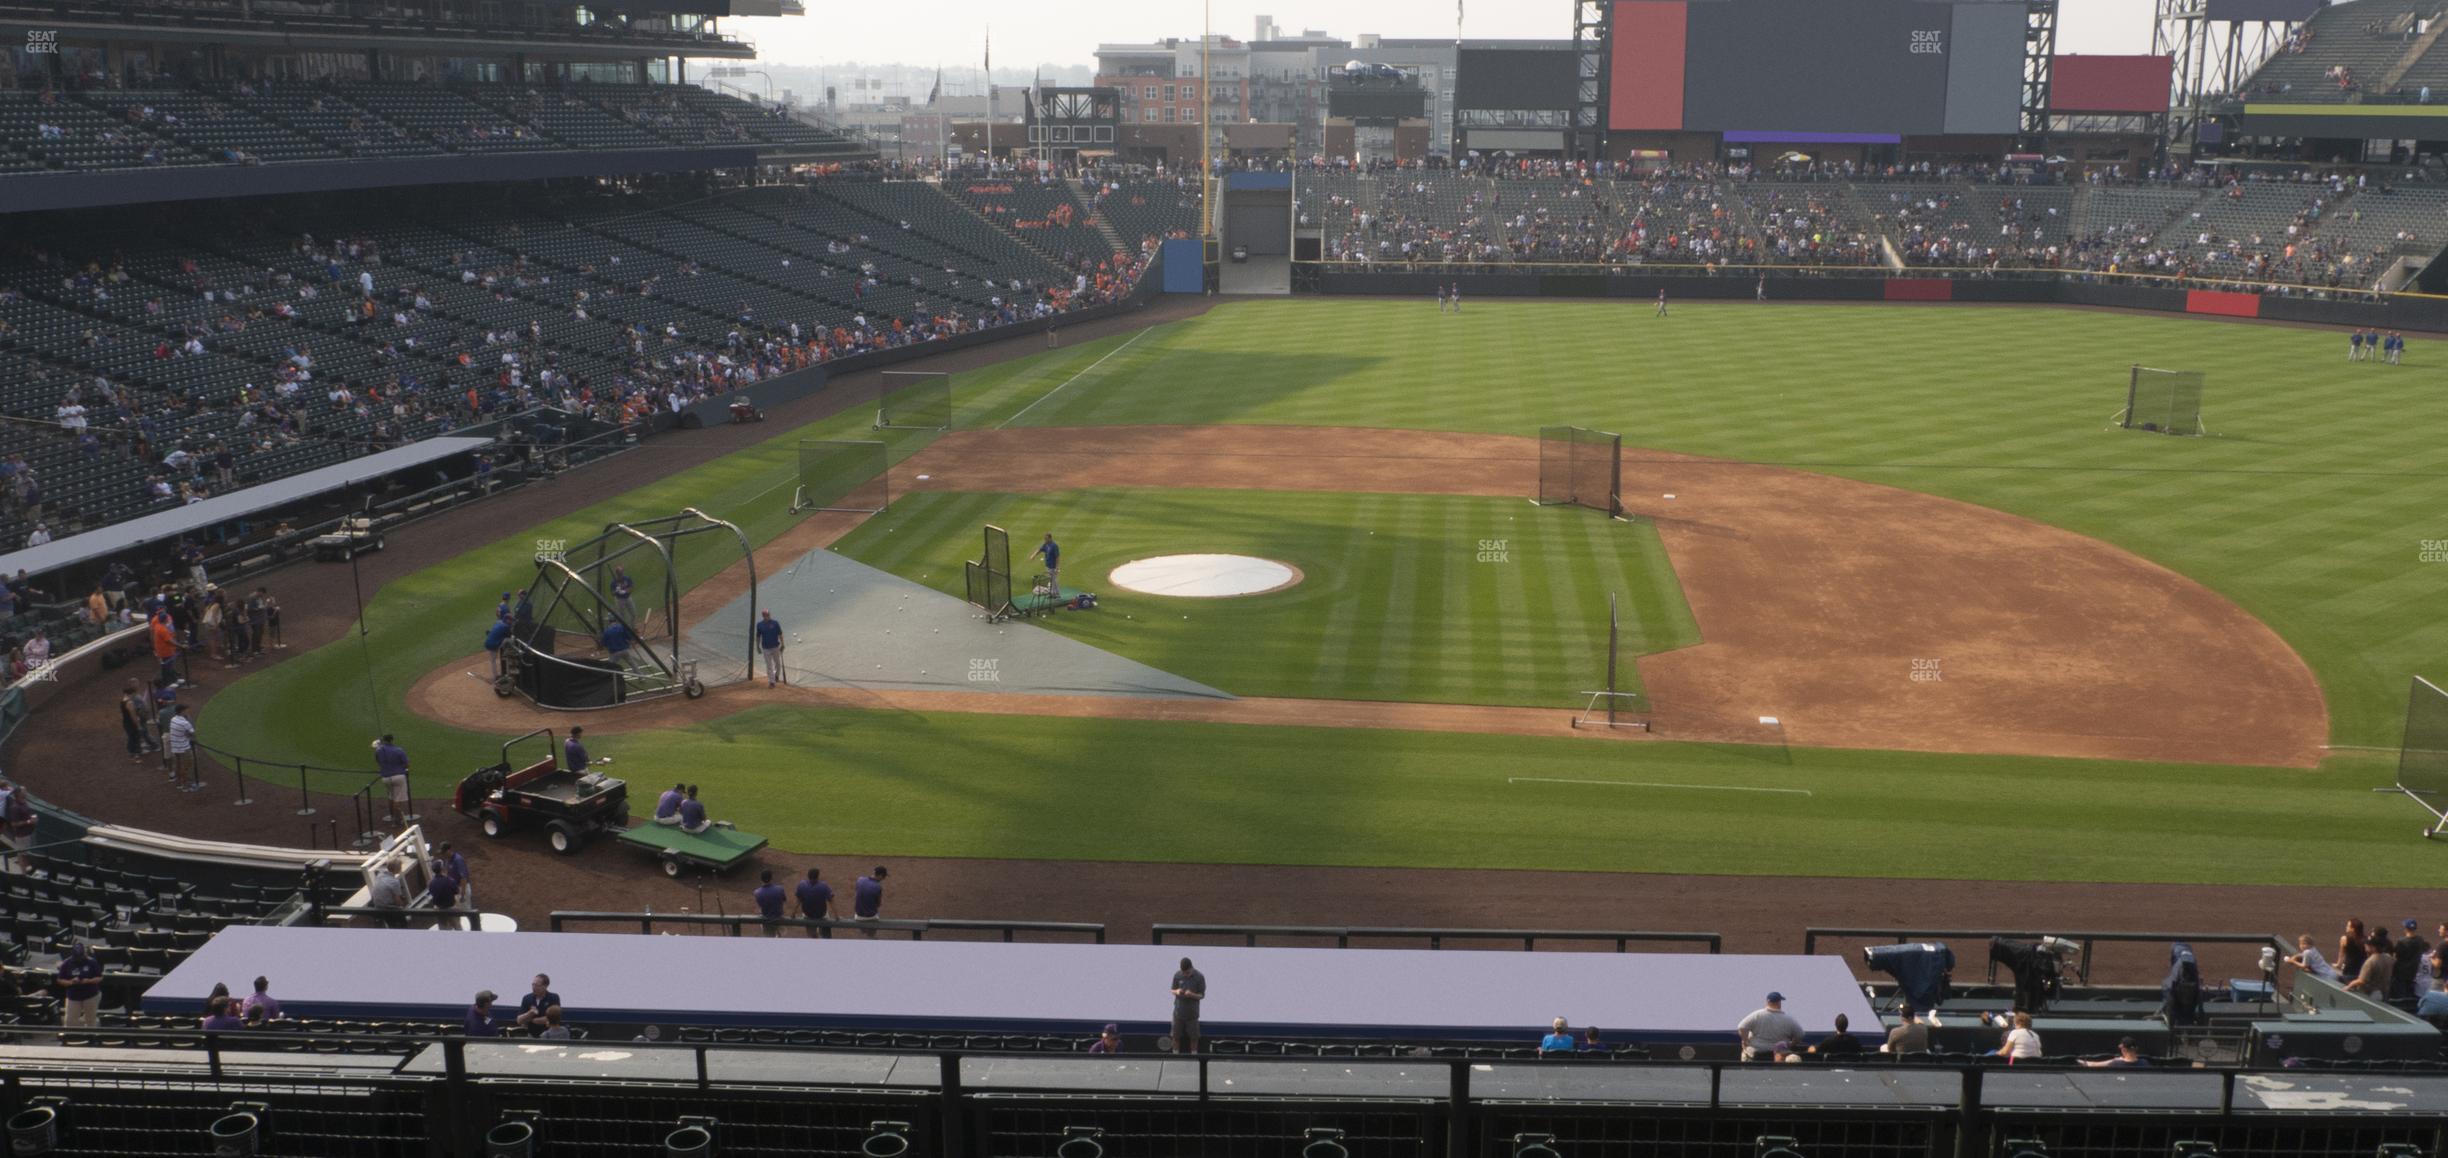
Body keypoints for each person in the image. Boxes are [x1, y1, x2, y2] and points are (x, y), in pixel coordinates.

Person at [1736, 992, 1801, 1062]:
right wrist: (1791, 1044)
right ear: (1779, 1003)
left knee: (1747, 1052)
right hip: (1780, 1052)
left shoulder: (1757, 1015)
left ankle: (1745, 1069)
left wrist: (1745, 1040)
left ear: (1767, 1002)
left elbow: (1741, 1027)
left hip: (1758, 1051)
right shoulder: (1788, 1019)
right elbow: (1799, 1034)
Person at [54, 940, 102, 1028]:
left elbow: (99, 977)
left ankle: (91, 1038)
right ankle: (71, 1038)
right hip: (73, 996)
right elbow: (60, 980)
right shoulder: (67, 963)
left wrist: (88, 981)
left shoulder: (91, 962)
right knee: (70, 1021)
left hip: (90, 995)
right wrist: (71, 982)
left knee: (90, 1019)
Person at [372, 733, 411, 829]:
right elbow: (406, 764)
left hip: (385, 778)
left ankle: (392, 817)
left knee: (391, 797)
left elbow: (378, 761)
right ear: (392, 740)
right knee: (397, 800)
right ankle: (397, 821)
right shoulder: (399, 750)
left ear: (383, 740)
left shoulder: (378, 751)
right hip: (398, 777)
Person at [1169, 957, 1206, 1054]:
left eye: (1187, 973)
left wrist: (1192, 995)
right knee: (1175, 1036)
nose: (1185, 974)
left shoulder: (1199, 977)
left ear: (1191, 968)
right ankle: (1175, 1055)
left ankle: (1194, 1056)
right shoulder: (1177, 975)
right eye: (1184, 973)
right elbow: (1172, 989)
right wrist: (1177, 991)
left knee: (1194, 1037)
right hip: (1178, 1013)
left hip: (1192, 1014)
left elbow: (1201, 995)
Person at [164, 703, 198, 790]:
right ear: (182, 711)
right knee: (187, 765)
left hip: (175, 746)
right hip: (184, 747)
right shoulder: (185, 723)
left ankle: (179, 783)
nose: (188, 711)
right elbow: (193, 734)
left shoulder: (173, 719)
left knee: (179, 764)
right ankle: (185, 785)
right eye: (187, 710)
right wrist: (188, 735)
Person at [368, 858, 409, 928]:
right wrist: (403, 907)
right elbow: (398, 901)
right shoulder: (394, 882)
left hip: (376, 905)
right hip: (386, 908)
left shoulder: (380, 875)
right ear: (397, 869)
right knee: (403, 924)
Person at [2395, 919, 2430, 1001]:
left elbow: (2397, 956)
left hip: (2401, 971)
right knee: (2410, 993)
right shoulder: (2420, 939)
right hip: (2414, 970)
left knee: (2401, 995)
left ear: (2406, 929)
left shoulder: (2402, 941)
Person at [119, 680, 154, 761]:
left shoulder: (123, 700)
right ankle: (133, 752)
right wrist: (137, 725)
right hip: (131, 723)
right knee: (133, 737)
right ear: (130, 693)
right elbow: (133, 715)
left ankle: (136, 750)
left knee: (133, 737)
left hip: (126, 722)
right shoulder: (129, 703)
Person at [852, 865, 888, 933]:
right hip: (871, 917)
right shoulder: (878, 887)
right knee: (871, 933)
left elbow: (857, 894)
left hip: (858, 916)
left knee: (863, 931)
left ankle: (863, 931)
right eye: (884, 876)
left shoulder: (860, 879)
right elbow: (878, 904)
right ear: (880, 875)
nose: (884, 878)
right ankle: (871, 935)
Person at [2079, 1036, 2152, 1068]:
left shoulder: (2116, 1063)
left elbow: (2092, 1065)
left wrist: (2077, 1060)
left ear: (2123, 1049)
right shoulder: (2145, 1063)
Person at [753, 869, 788, 935]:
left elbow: (759, 906)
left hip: (766, 920)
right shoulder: (780, 889)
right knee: (781, 939)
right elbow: (784, 902)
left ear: (761, 879)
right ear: (771, 878)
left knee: (769, 940)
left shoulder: (757, 892)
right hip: (779, 918)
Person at [756, 610, 786, 687]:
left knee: (778, 664)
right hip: (766, 648)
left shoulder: (775, 623)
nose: (768, 616)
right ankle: (772, 682)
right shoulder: (759, 625)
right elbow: (758, 636)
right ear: (763, 616)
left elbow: (780, 634)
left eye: (768, 614)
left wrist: (782, 644)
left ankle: (776, 676)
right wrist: (757, 646)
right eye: (766, 615)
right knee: (769, 665)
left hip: (775, 647)